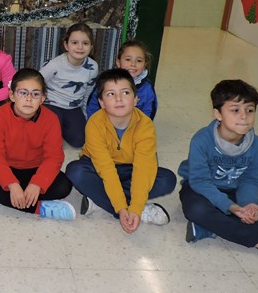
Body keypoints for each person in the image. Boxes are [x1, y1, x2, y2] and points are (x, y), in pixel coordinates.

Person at [178, 80, 258, 265]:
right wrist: (231, 208)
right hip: (200, 190)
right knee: (196, 210)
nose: (244, 116)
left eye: (250, 110)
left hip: (234, 192)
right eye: (235, 110)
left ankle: (211, 227)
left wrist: (248, 205)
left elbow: (251, 179)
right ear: (218, 114)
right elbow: (200, 181)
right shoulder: (202, 140)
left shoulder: (257, 145)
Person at [66, 68, 176, 233]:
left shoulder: (145, 125)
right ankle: (132, 210)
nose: (118, 99)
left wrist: (135, 208)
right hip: (97, 168)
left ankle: (100, 201)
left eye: (125, 92)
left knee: (167, 180)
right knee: (75, 172)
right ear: (102, 103)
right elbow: (105, 168)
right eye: (111, 94)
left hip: (130, 168)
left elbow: (143, 168)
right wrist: (121, 209)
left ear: (136, 99)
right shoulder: (94, 124)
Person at [0, 68, 75, 220]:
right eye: (23, 93)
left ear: (43, 98)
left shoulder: (51, 119)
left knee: (64, 186)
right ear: (12, 95)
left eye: (35, 94)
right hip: (7, 168)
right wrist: (12, 185)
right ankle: (40, 208)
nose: (29, 99)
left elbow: (54, 157)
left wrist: (37, 184)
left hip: (36, 169)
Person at [40, 22, 99, 147]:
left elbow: (87, 93)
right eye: (74, 42)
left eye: (85, 43)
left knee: (79, 141)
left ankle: (61, 127)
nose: (80, 47)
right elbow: (37, 81)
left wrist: (84, 116)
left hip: (73, 107)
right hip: (51, 105)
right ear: (66, 45)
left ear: (91, 47)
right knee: (51, 140)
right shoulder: (55, 64)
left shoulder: (93, 67)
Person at [86, 40, 158, 120]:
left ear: (145, 64)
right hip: (104, 124)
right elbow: (93, 105)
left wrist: (139, 126)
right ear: (118, 62)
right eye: (128, 59)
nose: (133, 64)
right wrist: (96, 123)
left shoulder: (147, 88)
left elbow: (148, 113)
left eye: (139, 61)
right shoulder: (106, 82)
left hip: (134, 126)